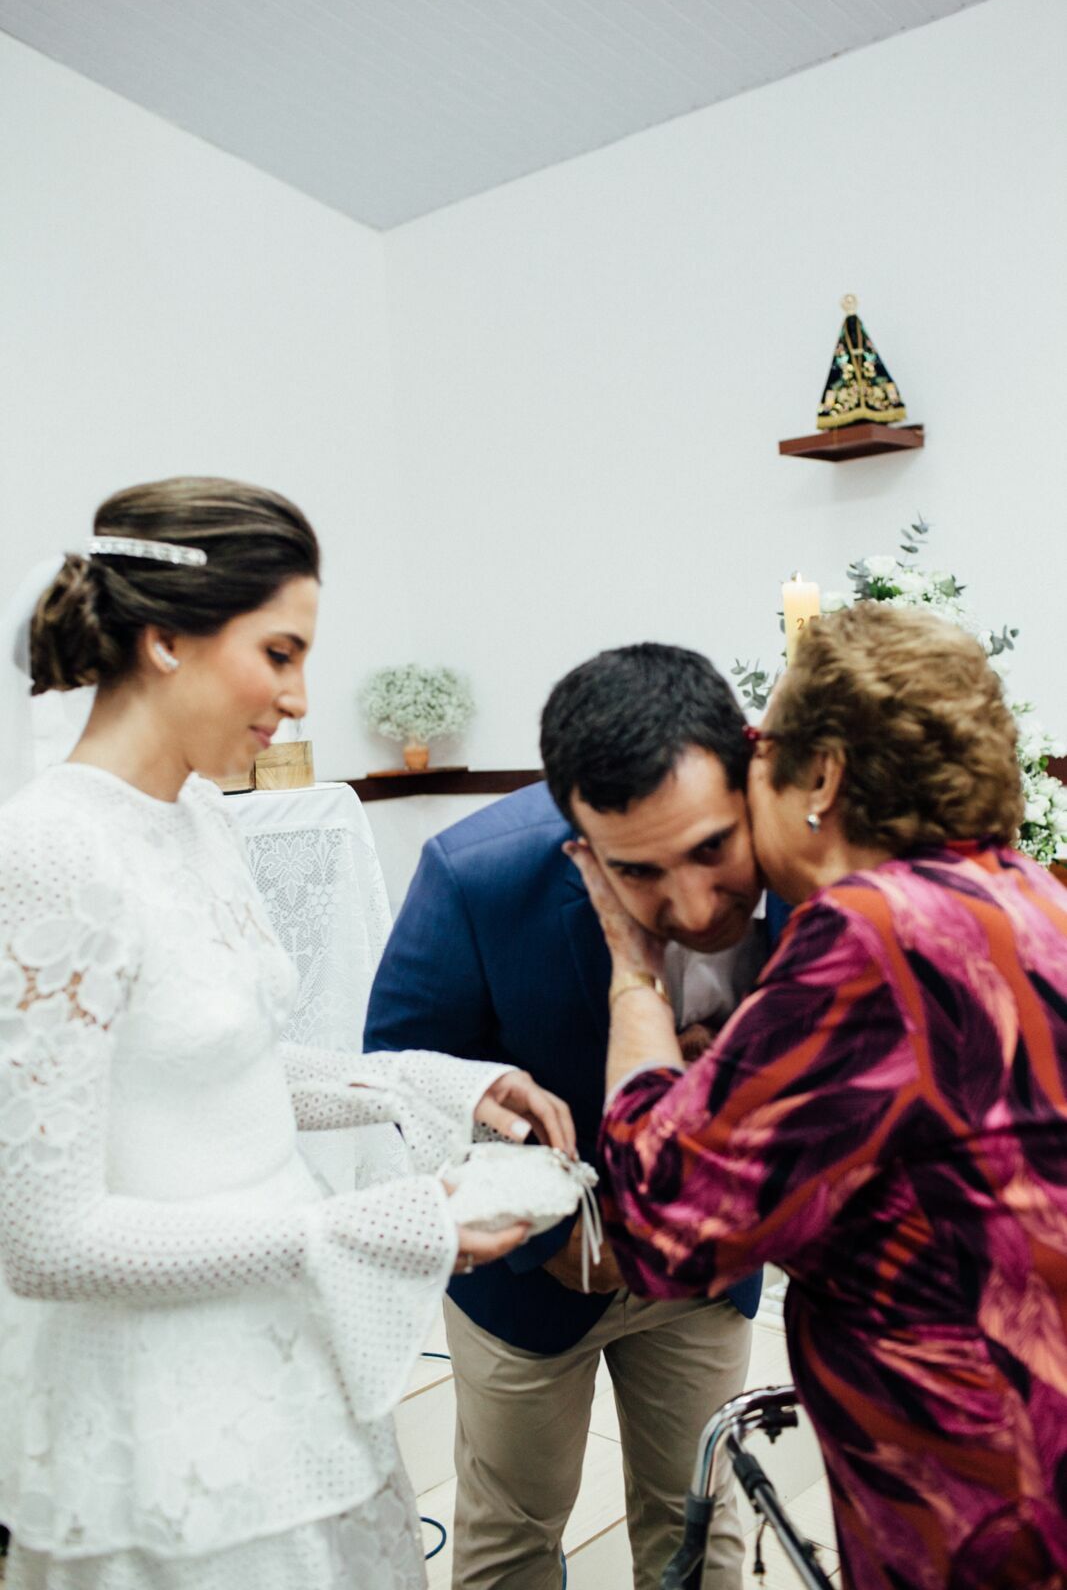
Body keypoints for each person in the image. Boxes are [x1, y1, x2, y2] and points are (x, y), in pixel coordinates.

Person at [0, 477, 575, 1590]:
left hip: (286, 1360)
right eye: (279, 653)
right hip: (165, 1412)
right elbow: (45, 1239)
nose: (302, 697)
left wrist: (434, 1086)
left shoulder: (203, 817)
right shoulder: (53, 854)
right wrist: (362, 1228)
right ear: (164, 639)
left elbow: (235, 1073)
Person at [575, 603, 1067, 1590]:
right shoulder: (1024, 893)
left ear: (823, 776)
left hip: (968, 1475)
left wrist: (631, 976)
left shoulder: (868, 932)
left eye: (760, 758)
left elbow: (661, 1226)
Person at [365, 644, 790, 1590]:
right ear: (577, 842)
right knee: (511, 1533)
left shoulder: (811, 861)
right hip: (528, 1292)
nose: (689, 905)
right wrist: (530, 1232)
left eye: (713, 850)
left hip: (703, 1281)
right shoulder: (475, 874)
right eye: (637, 871)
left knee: (702, 1525)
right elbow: (400, 1072)